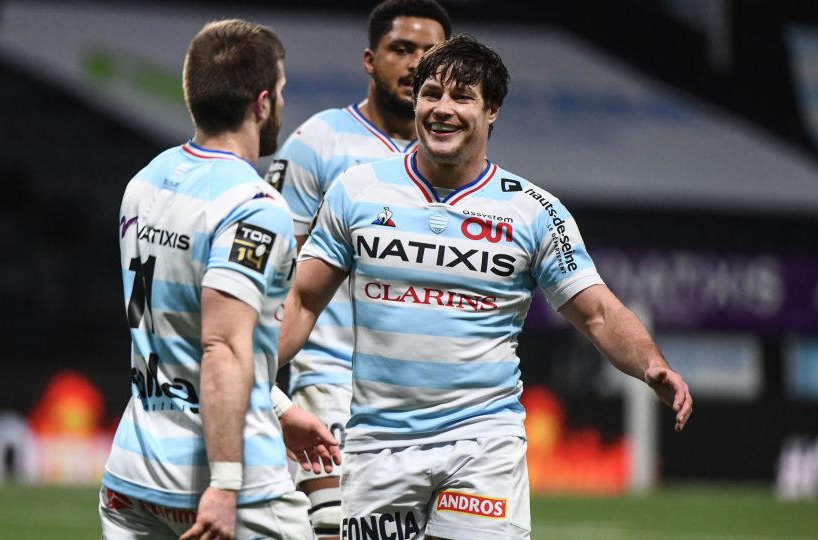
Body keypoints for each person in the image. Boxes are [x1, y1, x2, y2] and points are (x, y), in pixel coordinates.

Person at [279, 34, 694, 539]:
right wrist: (249, 372)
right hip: (378, 448)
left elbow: (599, 313)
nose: (442, 109)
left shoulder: (534, 211)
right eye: (431, 94)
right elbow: (301, 300)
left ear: (492, 109)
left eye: (462, 98)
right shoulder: (357, 190)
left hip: (481, 444)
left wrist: (652, 364)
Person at [100, 19, 340, 540]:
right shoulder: (253, 207)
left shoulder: (145, 182)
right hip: (228, 480)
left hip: (133, 477)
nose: (280, 102)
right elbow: (222, 347)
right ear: (261, 103)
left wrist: (278, 406)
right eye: (279, 91)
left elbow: (175, 330)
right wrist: (225, 484)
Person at [265, 1, 450, 535]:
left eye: (431, 53)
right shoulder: (318, 143)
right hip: (331, 385)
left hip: (426, 398)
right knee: (335, 529)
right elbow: (277, 277)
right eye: (402, 49)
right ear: (371, 60)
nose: (417, 63)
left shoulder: (456, 158)